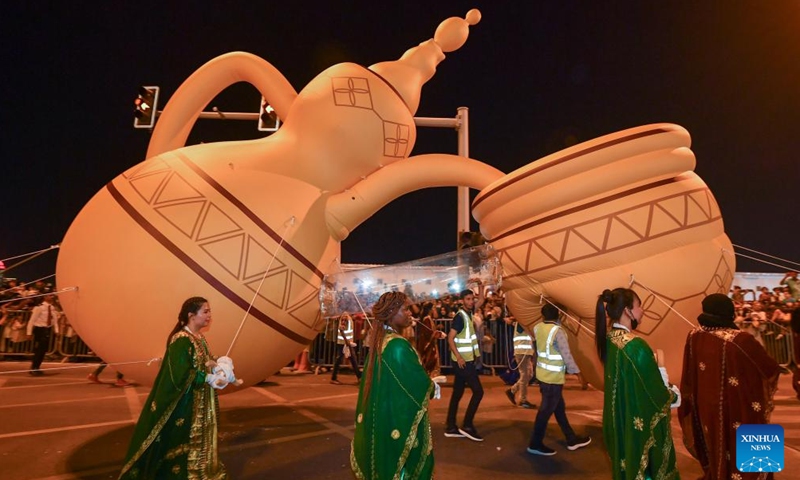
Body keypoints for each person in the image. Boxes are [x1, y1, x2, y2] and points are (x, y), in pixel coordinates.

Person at [119, 296, 233, 480]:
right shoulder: (181, 340)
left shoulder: (199, 338)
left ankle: (200, 472)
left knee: (200, 440)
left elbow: (204, 360)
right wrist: (207, 377)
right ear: (191, 315)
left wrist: (218, 364)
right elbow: (181, 375)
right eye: (205, 311)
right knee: (182, 439)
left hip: (201, 401)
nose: (209, 316)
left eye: (209, 311)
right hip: (185, 403)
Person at [679, 293, 780, 480]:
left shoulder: (694, 335)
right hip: (738, 404)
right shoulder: (741, 340)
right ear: (729, 313)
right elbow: (770, 369)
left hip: (706, 406)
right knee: (749, 436)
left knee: (718, 446)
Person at [595, 288, 680, 479]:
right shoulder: (635, 346)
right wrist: (673, 395)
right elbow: (655, 392)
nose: (642, 311)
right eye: (639, 306)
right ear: (627, 310)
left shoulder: (609, 339)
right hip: (635, 423)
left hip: (619, 418)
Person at [350, 291, 435, 480]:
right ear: (391, 313)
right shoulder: (397, 345)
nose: (410, 313)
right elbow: (414, 379)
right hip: (393, 412)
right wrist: (432, 386)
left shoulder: (382, 340)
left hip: (384, 411)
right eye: (405, 309)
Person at [527, 302, 590, 455]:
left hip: (543, 376)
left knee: (559, 409)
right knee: (545, 412)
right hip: (553, 379)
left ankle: (571, 439)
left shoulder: (537, 328)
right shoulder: (558, 332)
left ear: (542, 315)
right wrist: (579, 374)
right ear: (559, 315)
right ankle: (535, 444)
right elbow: (566, 356)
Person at [444, 289, 485, 442]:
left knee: (457, 393)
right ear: (462, 300)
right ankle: (467, 425)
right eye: (468, 299)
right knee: (478, 392)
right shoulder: (460, 317)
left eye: (472, 298)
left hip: (464, 361)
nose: (471, 301)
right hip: (463, 362)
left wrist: (480, 286)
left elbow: (481, 300)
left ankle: (451, 426)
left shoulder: (468, 313)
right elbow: (450, 338)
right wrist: (460, 357)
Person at [26, 294, 60, 375]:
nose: (51, 297)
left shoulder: (52, 307)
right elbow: (31, 321)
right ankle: (34, 368)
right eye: (49, 296)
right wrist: (29, 333)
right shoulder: (39, 307)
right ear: (45, 297)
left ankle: (37, 367)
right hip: (40, 329)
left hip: (47, 329)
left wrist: (56, 330)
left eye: (51, 296)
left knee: (43, 350)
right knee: (39, 350)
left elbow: (54, 320)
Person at [506, 319, 536, 409]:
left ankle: (512, 390)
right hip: (522, 352)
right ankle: (522, 400)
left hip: (525, 352)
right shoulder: (522, 322)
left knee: (529, 375)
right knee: (525, 375)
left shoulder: (523, 323)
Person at [330, 312, 362, 385]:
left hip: (346, 342)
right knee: (349, 359)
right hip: (344, 343)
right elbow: (342, 329)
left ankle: (359, 377)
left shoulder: (348, 316)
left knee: (350, 359)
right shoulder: (345, 316)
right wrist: (346, 341)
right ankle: (359, 377)